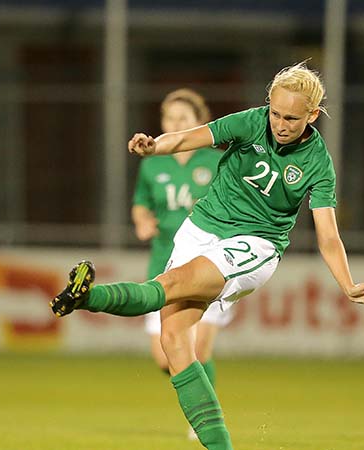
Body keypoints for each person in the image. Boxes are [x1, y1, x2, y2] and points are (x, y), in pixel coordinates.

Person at [50, 62, 364, 450]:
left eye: (291, 117)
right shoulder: (250, 122)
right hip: (201, 228)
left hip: (255, 244)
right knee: (172, 340)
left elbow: (328, 235)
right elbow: (190, 138)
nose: (280, 123)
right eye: (275, 113)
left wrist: (347, 284)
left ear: (312, 115)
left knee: (168, 286)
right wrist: (154, 146)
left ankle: (88, 297)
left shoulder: (317, 163)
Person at [132, 88, 233, 439]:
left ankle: (204, 417)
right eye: (169, 119)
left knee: (198, 348)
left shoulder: (216, 160)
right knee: (165, 358)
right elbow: (141, 203)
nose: (174, 124)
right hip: (164, 264)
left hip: (211, 263)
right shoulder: (152, 163)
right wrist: (142, 220)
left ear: (198, 123)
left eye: (182, 119)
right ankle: (201, 396)